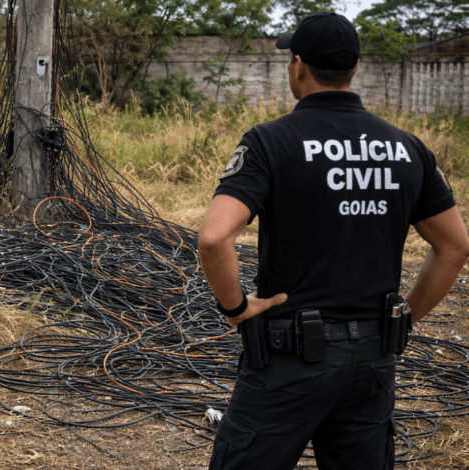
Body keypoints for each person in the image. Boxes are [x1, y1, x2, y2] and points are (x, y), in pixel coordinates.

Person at [198, 12, 469, 470]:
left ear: (298, 66)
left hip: (288, 362)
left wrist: (238, 309)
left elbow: (213, 238)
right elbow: (456, 245)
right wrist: (404, 320)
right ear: (355, 67)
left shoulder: (270, 142)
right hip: (373, 360)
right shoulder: (408, 148)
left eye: (290, 60)